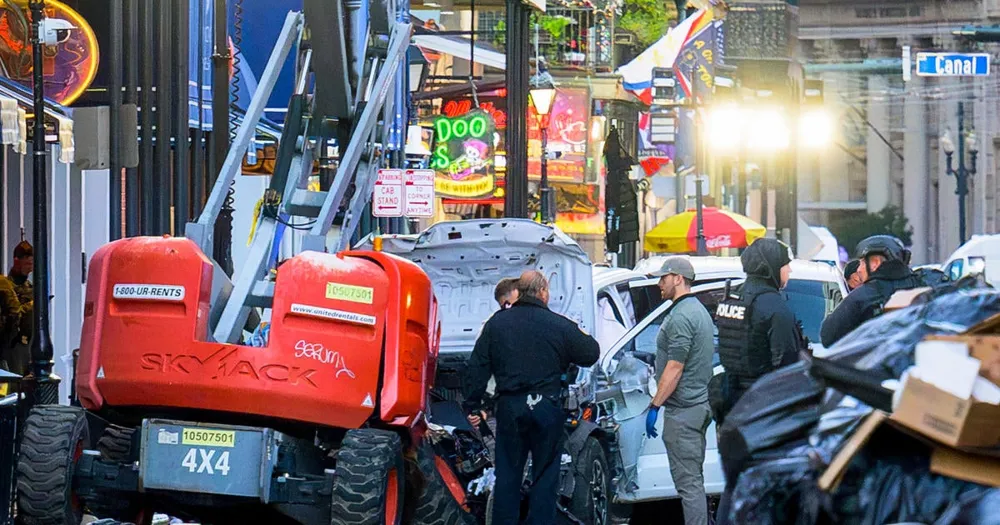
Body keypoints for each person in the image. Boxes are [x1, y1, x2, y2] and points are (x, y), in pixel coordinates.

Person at [463, 270, 600, 525]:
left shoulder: (497, 324)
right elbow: (590, 352)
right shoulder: (558, 324)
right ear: (542, 292)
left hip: (510, 409)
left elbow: (477, 367)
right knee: (545, 476)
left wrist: (473, 405)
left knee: (508, 476)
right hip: (546, 407)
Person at [643, 257, 714, 525]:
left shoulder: (682, 316)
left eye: (664, 278)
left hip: (685, 411)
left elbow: (675, 367)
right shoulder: (696, 310)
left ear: (678, 279)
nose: (660, 283)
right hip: (696, 407)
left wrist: (654, 405)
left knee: (689, 485)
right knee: (693, 480)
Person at [715, 238, 804, 422]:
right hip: (764, 404)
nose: (790, 270)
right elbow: (788, 363)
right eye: (786, 265)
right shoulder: (775, 307)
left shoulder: (734, 296)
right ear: (772, 266)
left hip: (730, 400)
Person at [820, 235, 924, 347]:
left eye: (863, 263)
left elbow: (828, 337)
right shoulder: (925, 286)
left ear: (875, 263)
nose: (859, 269)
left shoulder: (862, 297)